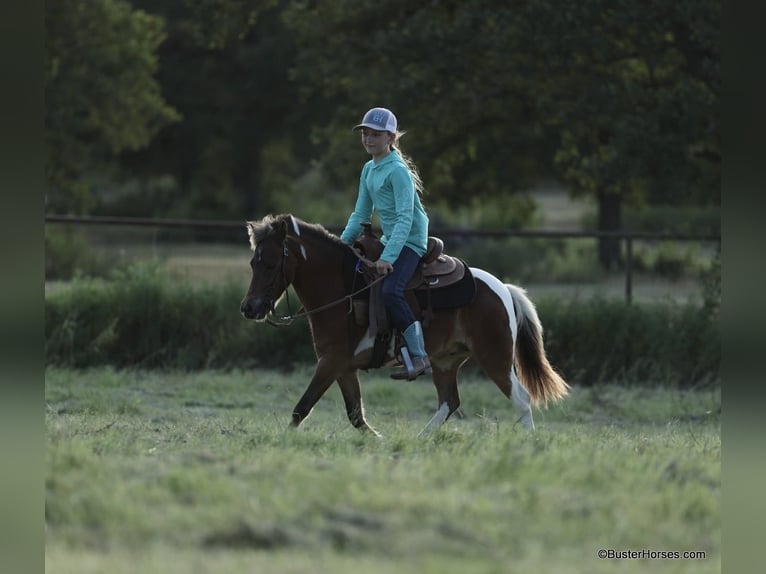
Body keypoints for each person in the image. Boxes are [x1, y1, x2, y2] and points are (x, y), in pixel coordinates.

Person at [339, 107, 431, 380]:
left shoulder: (398, 172)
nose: (368, 139)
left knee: (391, 291)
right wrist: (340, 246)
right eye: (365, 133)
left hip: (411, 240)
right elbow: (360, 214)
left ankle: (419, 356)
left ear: (391, 138)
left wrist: (388, 258)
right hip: (391, 239)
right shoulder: (369, 169)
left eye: (376, 134)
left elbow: (405, 218)